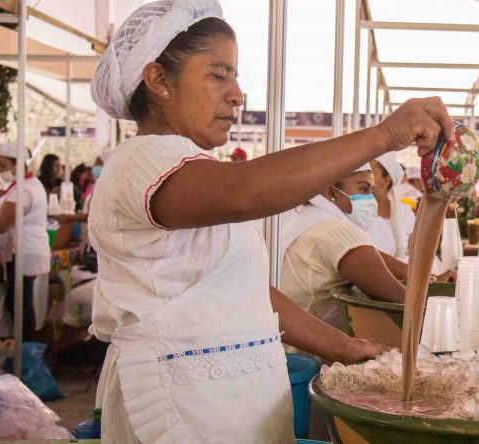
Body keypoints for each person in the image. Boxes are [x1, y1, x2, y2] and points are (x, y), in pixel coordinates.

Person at [87, 2, 457, 440]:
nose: (237, 94)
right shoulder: (141, 161)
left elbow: (245, 292)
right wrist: (384, 135)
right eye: (218, 74)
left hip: (235, 400)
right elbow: (248, 191)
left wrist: (347, 348)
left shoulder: (194, 170)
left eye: (236, 76)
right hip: (182, 404)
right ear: (158, 80)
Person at [281, 164, 413, 330]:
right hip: (305, 352)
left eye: (371, 191)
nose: (370, 201)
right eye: (363, 189)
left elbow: (368, 256)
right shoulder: (336, 231)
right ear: (330, 192)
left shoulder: (310, 217)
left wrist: (411, 274)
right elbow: (400, 299)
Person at [0, 143, 50, 342]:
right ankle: (25, 347)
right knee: (21, 301)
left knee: (19, 303)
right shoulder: (30, 184)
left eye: (2, 165)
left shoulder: (23, 190)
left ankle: (25, 349)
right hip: (29, 248)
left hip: (23, 250)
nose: (0, 170)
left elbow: (1, 226)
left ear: (16, 164)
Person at [368, 151, 415, 259]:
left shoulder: (405, 214)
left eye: (369, 172)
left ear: (385, 181)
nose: (362, 176)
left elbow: (415, 253)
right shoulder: (358, 211)